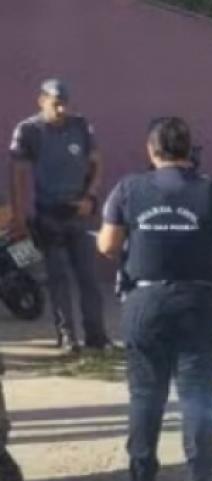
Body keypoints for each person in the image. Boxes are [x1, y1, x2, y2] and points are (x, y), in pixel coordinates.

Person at [96, 117, 212, 481]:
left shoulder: (128, 189)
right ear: (189, 150)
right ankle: (201, 478)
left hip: (145, 301)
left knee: (146, 393)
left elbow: (108, 245)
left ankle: (141, 480)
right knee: (196, 393)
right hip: (198, 300)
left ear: (151, 149)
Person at [8, 79, 109, 352]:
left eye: (65, 103)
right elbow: (16, 174)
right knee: (58, 278)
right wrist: (18, 215)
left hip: (78, 212)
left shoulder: (80, 126)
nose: (61, 109)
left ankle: (97, 336)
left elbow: (96, 163)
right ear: (41, 100)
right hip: (49, 215)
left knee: (88, 277)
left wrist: (90, 196)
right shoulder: (29, 130)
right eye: (56, 104)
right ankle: (67, 337)